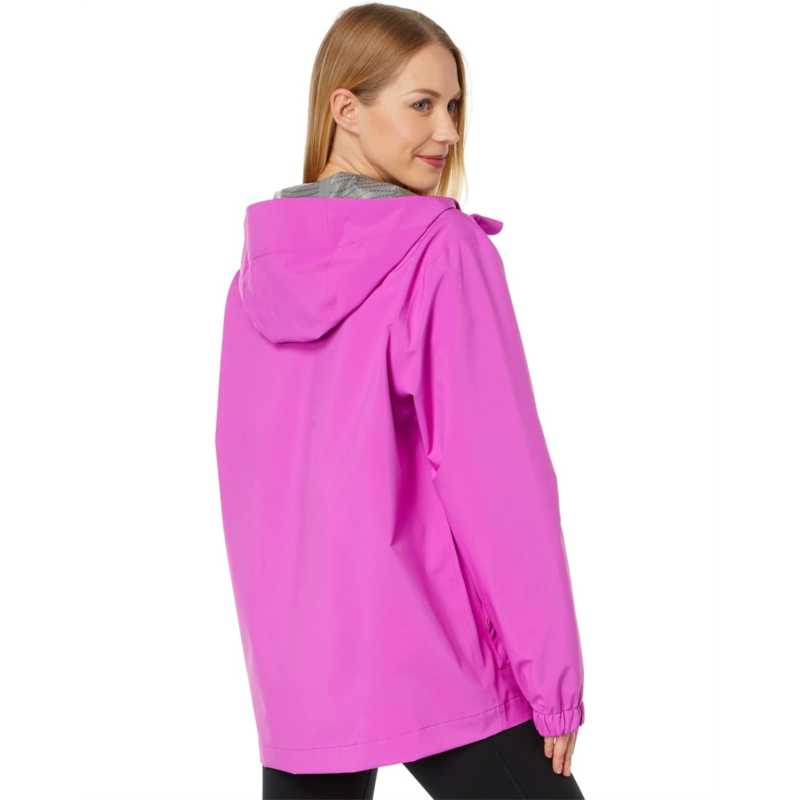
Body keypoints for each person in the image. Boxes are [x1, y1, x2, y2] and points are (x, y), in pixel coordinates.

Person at [215, 4, 587, 798]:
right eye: (422, 104)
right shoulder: (442, 250)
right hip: (438, 655)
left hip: (302, 678)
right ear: (345, 109)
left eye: (453, 105)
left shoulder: (254, 278)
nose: (446, 131)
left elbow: (252, 492)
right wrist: (553, 681)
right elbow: (500, 484)